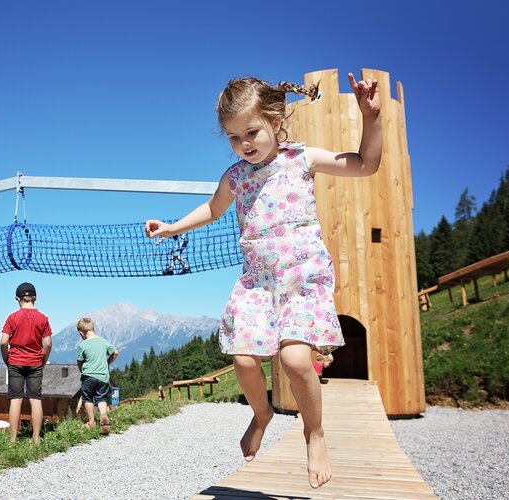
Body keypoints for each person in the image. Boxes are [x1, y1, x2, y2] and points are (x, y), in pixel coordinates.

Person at [144, 73, 381, 488]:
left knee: (293, 361)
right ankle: (262, 413)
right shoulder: (235, 177)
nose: (244, 144)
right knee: (244, 360)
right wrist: (172, 228)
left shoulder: (301, 159)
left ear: (274, 119)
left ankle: (315, 433)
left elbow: (365, 165)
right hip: (257, 283)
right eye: (234, 138)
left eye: (251, 132)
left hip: (302, 278)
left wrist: (371, 118)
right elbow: (213, 210)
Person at [0, 282, 52, 444]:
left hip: (15, 361)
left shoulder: (12, 317)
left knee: (15, 399)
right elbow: (48, 344)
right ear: (35, 298)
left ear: (18, 298)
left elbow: (3, 342)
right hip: (35, 362)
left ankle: (13, 439)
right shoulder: (43, 318)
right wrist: (42, 360)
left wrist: (6, 359)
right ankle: (36, 438)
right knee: (35, 399)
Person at [75, 317, 119, 435]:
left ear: (81, 333)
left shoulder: (82, 345)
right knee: (102, 398)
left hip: (88, 376)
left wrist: (81, 369)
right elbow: (115, 352)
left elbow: (79, 361)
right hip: (103, 376)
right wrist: (107, 363)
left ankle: (91, 421)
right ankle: (103, 415)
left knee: (87, 398)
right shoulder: (103, 341)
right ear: (93, 328)